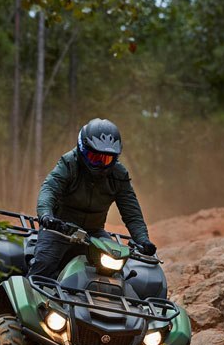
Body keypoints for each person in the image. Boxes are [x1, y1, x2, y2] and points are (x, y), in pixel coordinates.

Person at [27, 118, 157, 278]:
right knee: (43, 266)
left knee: (116, 269)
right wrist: (46, 215)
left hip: (94, 233)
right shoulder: (69, 163)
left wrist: (143, 240)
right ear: (82, 149)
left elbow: (132, 213)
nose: (101, 164)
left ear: (115, 157)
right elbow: (49, 189)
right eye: (95, 157)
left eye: (107, 159)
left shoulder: (119, 174)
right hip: (59, 229)